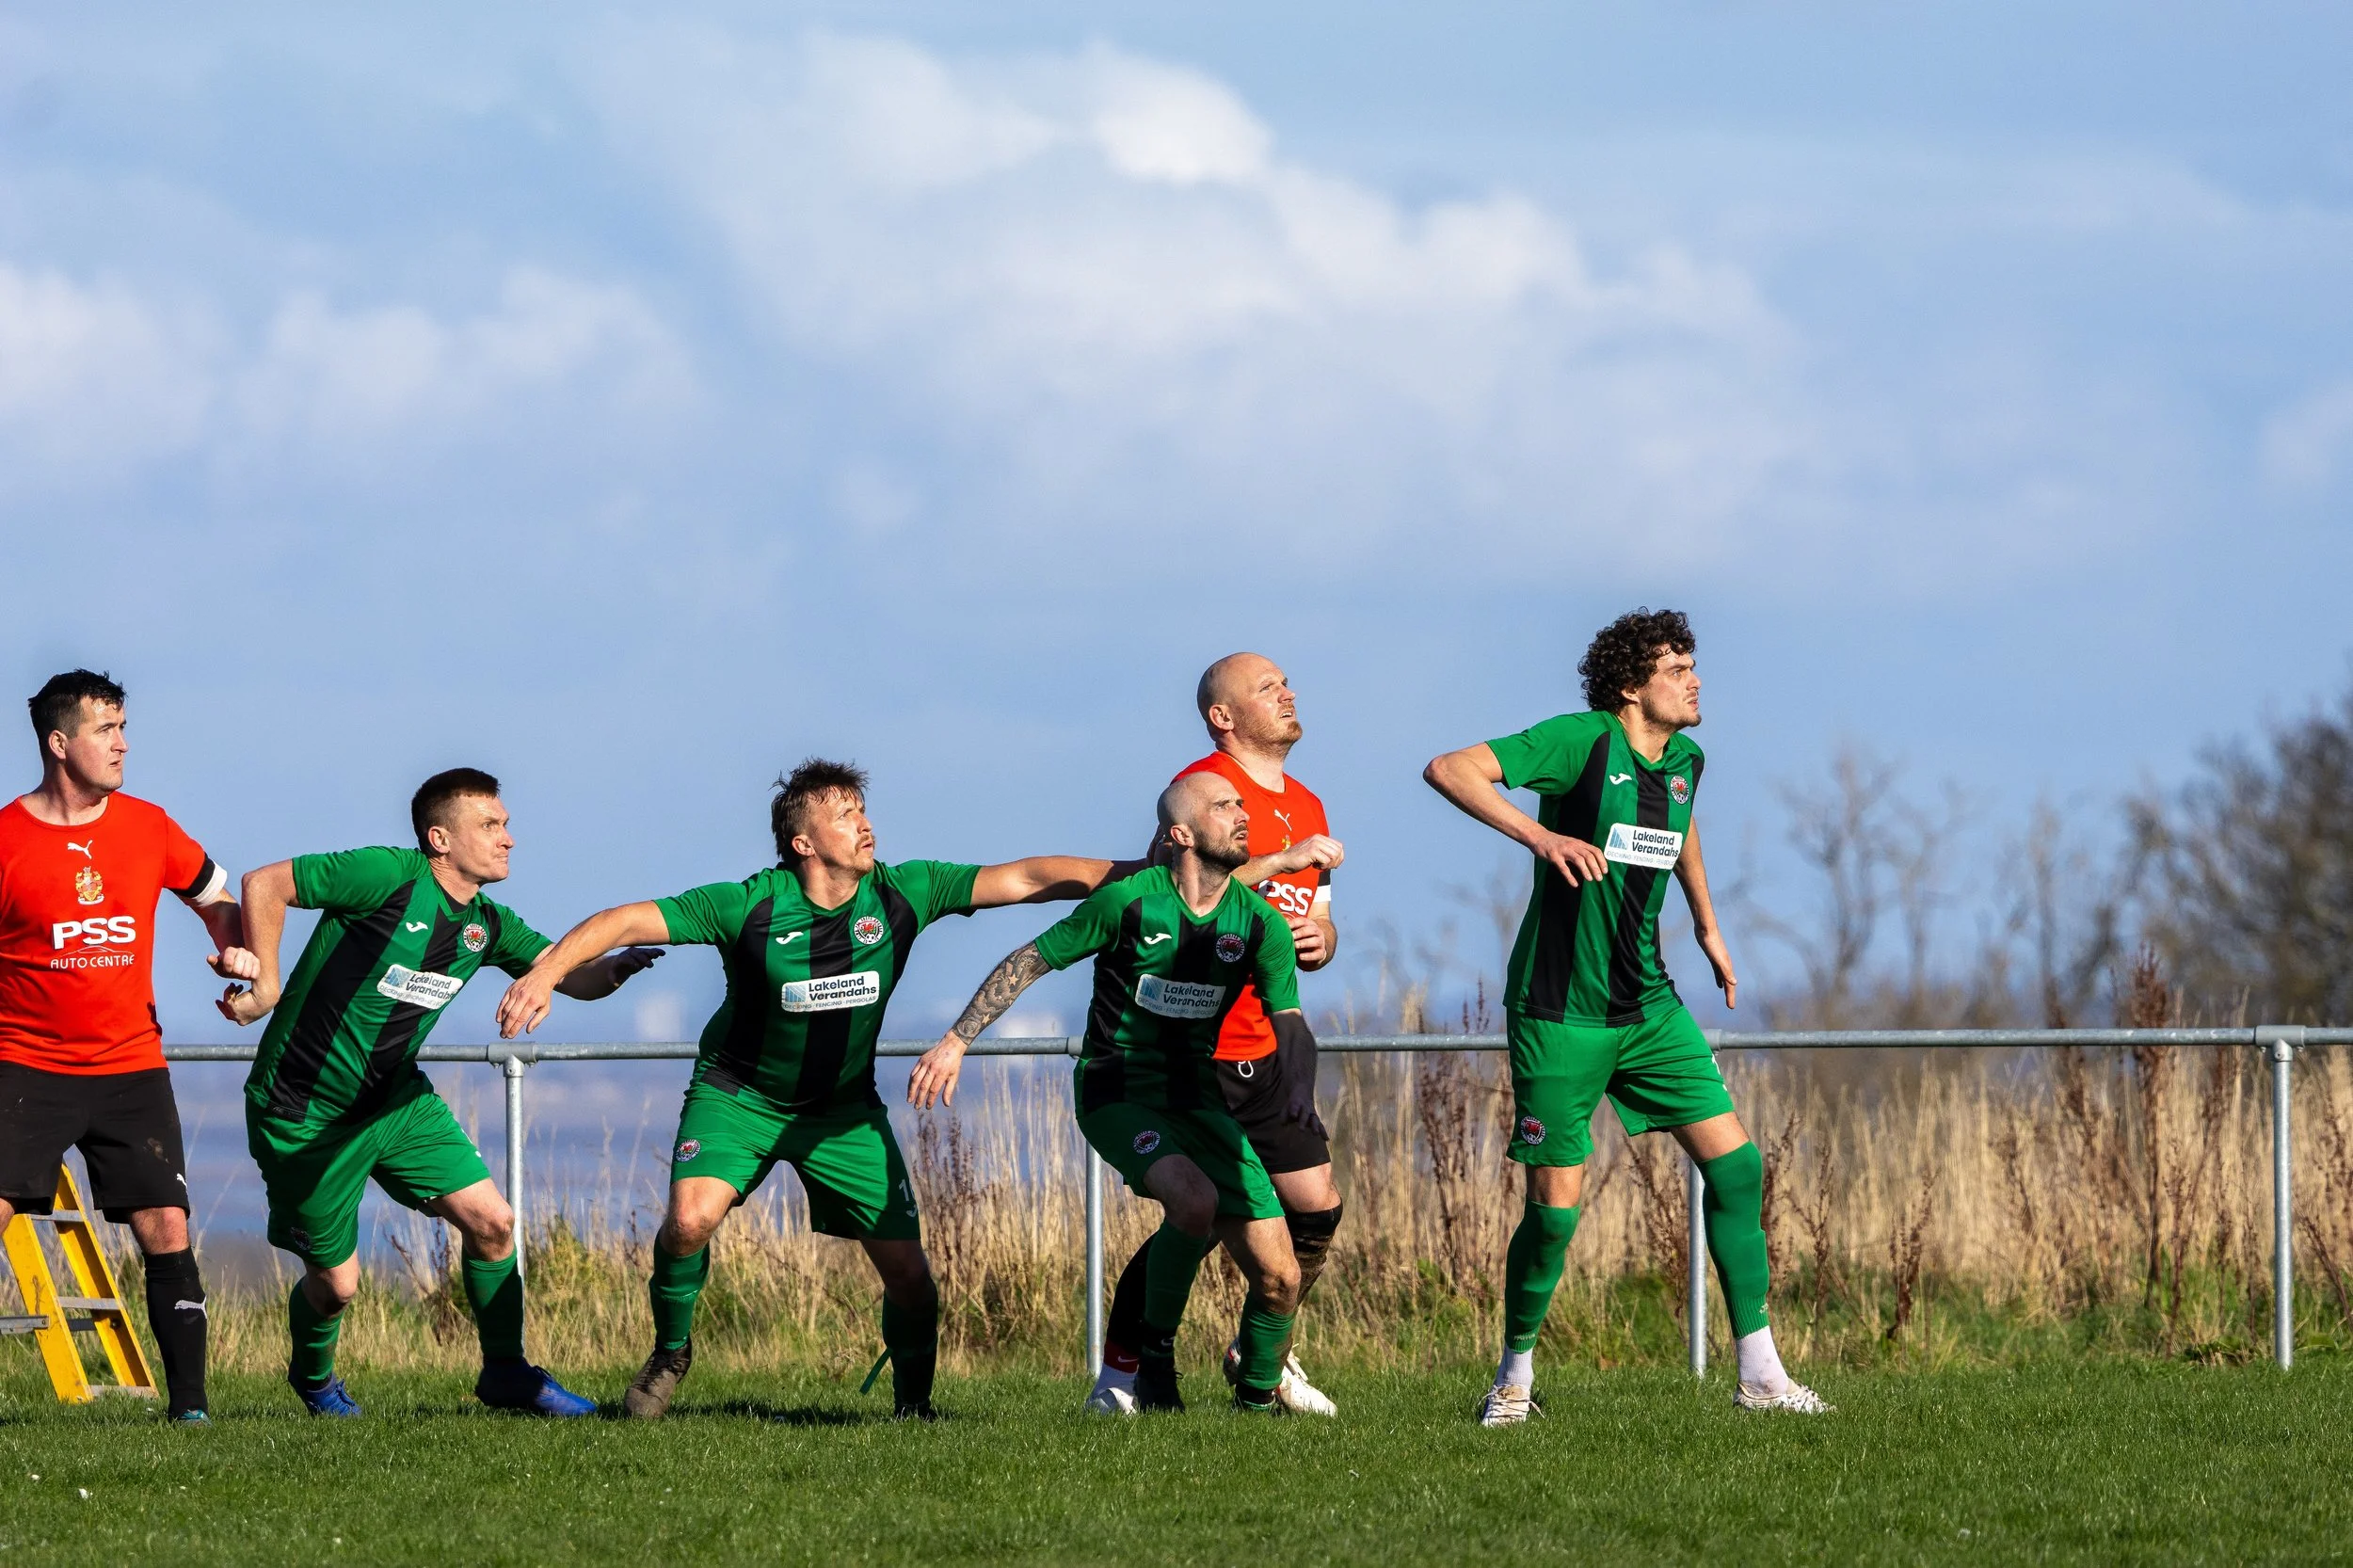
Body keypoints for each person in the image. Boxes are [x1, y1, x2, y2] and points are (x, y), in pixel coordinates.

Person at [496, 758, 1131, 1421]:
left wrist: (1138, 872)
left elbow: (1026, 879)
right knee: (688, 1222)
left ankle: (915, 1408)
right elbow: (623, 921)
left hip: (843, 1113)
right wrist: (547, 976)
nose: (866, 826)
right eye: (846, 816)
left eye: (863, 811)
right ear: (804, 843)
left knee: (911, 1278)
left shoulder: (904, 892)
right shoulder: (750, 904)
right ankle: (671, 1351)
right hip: (740, 1098)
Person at [1423, 608, 1829, 1424]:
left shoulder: (1686, 758)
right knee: (1555, 1214)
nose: (1695, 679)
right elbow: (1450, 768)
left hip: (1649, 1006)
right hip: (1559, 1012)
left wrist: (1709, 926)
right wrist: (1540, 837)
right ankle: (1512, 1382)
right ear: (1629, 685)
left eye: (1693, 664)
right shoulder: (1580, 740)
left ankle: (1761, 1377)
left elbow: (1680, 833)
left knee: (1739, 1168)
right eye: (1676, 668)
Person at [221, 767, 657, 1417]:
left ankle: (507, 1374)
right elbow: (265, 884)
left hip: (397, 1102)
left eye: (505, 824)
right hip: (303, 1111)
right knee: (337, 1285)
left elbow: (573, 980)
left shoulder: (486, 925)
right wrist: (267, 985)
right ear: (439, 839)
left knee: (494, 1223)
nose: (508, 838)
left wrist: (615, 967)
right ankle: (314, 1380)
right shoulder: (387, 875)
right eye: (490, 825)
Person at [913, 769, 1313, 1415]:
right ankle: (1153, 1357)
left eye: (1242, 804)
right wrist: (957, 1040)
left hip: (1199, 1098)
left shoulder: (1259, 925)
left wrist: (1299, 1087)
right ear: (1180, 833)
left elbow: (1290, 1024)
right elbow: (1029, 960)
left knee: (1281, 1276)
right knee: (1192, 1199)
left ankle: (1258, 1399)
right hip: (1116, 1087)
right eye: (1224, 805)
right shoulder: (1128, 902)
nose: (1243, 814)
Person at [1089, 652, 1346, 1416]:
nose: (1288, 692)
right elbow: (1177, 890)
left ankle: (1262, 1349)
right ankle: (1125, 1369)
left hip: (1267, 1049)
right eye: (1268, 688)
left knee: (1317, 1206)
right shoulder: (1201, 791)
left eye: (1287, 682)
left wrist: (1324, 937)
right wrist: (1282, 859)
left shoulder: (1309, 802)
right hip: (1198, 1054)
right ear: (1223, 717)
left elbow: (1318, 909)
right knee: (1195, 1218)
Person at [0, 670, 254, 1423]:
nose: (122, 743)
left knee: (165, 1227)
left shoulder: (148, 825)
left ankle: (191, 1411)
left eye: (122, 727)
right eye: (105, 730)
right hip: (25, 1066)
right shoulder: (7, 839)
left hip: (130, 1068)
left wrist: (235, 950)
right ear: (59, 742)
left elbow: (217, 897)